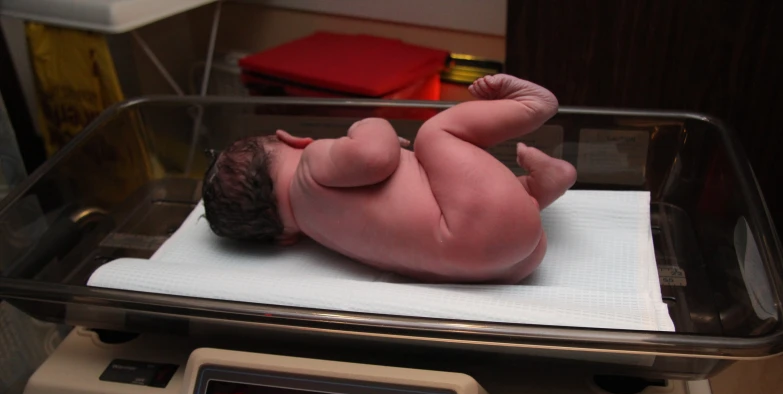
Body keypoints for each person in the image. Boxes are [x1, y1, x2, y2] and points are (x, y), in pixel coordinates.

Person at [202, 74, 576, 283]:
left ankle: (537, 191)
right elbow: (374, 157)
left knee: (451, 197)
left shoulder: (319, 235)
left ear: (280, 237)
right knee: (434, 136)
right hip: (485, 223)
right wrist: (368, 125)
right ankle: (532, 107)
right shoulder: (310, 163)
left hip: (508, 264)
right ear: (290, 139)